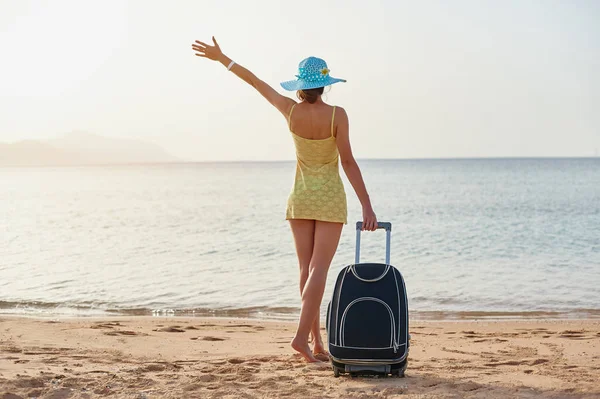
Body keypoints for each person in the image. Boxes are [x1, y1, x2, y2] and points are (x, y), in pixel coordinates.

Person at [191, 37, 378, 363]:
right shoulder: (337, 115)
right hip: (330, 200)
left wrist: (223, 59)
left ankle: (315, 342)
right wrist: (367, 205)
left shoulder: (289, 110)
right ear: (325, 86)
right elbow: (348, 162)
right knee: (319, 270)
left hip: (300, 198)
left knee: (306, 271)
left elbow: (255, 82)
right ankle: (299, 337)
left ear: (301, 86)